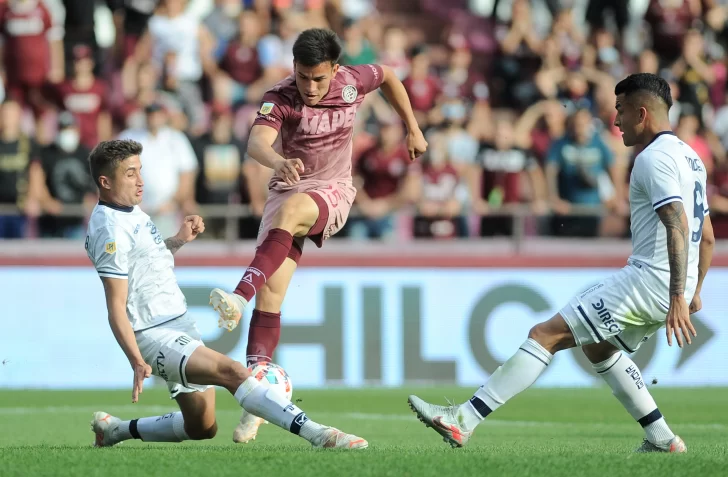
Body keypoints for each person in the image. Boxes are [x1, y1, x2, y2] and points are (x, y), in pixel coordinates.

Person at [408, 73, 715, 453]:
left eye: (619, 111)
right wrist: (693, 289)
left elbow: (678, 224)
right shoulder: (691, 158)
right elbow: (709, 235)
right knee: (599, 348)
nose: (615, 120)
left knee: (545, 335)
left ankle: (463, 420)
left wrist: (677, 296)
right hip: (675, 284)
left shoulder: (652, 159)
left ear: (641, 113)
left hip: (652, 281)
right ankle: (662, 439)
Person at [208, 28, 427, 443]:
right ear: (294, 67)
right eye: (304, 76)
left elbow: (390, 76)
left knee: (292, 214)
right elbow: (256, 143)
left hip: (332, 189)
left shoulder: (352, 82)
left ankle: (237, 295)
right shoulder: (281, 95)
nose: (310, 86)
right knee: (272, 296)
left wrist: (412, 127)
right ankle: (259, 400)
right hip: (286, 184)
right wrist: (277, 161)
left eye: (319, 78)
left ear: (336, 70)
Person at [85, 139, 367, 450]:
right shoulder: (109, 230)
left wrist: (177, 240)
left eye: (140, 171)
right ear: (105, 181)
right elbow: (115, 306)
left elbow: (143, 261)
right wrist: (136, 360)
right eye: (130, 174)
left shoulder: (130, 211)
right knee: (232, 372)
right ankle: (320, 434)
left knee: (202, 426)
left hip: (179, 324)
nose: (140, 181)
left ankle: (115, 431)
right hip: (153, 333)